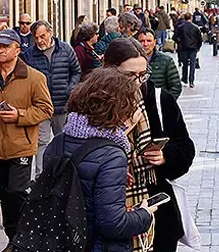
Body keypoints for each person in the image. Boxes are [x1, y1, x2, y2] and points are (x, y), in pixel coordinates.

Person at [44, 68, 157, 252]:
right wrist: (144, 214)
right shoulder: (112, 154)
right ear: (118, 108)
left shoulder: (57, 142)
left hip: (60, 241)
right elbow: (113, 224)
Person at [103, 38, 196, 252]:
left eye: (142, 75)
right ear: (109, 69)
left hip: (157, 213)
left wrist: (166, 157)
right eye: (129, 75)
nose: (137, 82)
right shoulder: (91, 103)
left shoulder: (159, 100)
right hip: (109, 210)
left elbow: (185, 149)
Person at [0, 29, 54, 251]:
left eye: (5, 47)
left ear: (17, 50)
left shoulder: (34, 77)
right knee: (4, 196)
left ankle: (24, 239)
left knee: (17, 192)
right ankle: (13, 240)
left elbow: (46, 109)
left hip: (21, 148)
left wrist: (20, 116)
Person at [20, 20, 82, 178]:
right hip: (40, 107)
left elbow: (76, 71)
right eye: (36, 37)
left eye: (42, 36)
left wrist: (70, 88)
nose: (40, 40)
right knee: (41, 141)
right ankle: (42, 176)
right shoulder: (28, 56)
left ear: (50, 33)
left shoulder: (65, 49)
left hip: (62, 104)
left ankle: (64, 174)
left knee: (63, 140)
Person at [137, 28, 182, 99]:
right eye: (142, 41)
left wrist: (165, 103)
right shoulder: (132, 61)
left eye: (149, 41)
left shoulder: (166, 61)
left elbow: (176, 86)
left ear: (154, 42)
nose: (145, 44)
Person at [174, 13, 203, 88]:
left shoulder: (180, 27)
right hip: (193, 48)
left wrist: (179, 42)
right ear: (191, 18)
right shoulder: (195, 27)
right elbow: (200, 39)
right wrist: (198, 47)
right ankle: (191, 81)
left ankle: (184, 78)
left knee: (185, 64)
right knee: (192, 64)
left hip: (183, 47)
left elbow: (174, 37)